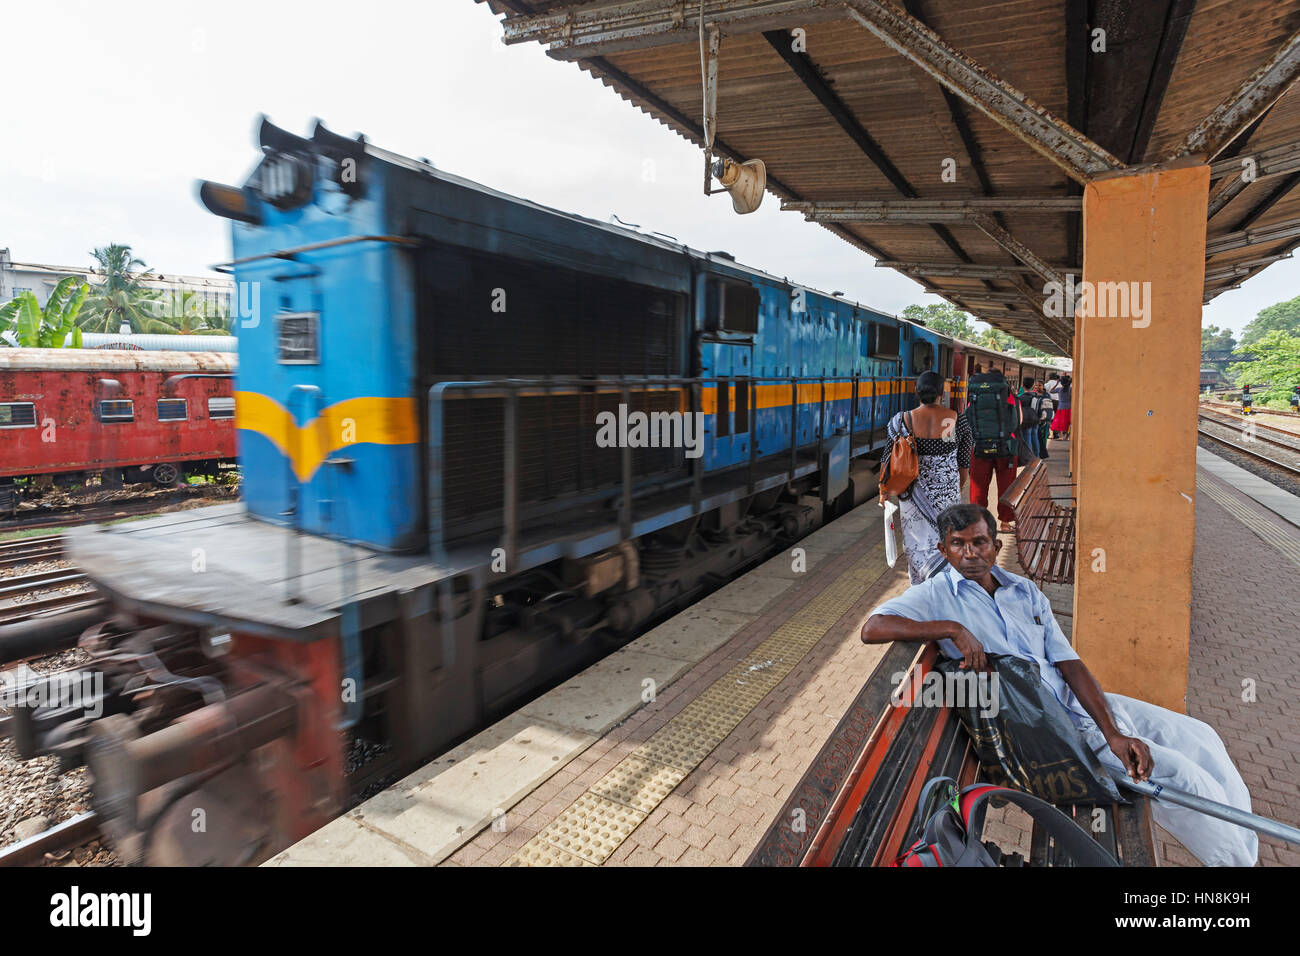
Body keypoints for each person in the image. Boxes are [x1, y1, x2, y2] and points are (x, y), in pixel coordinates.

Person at [860, 503, 1258, 867]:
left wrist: (1114, 732)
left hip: (1080, 708)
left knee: (1201, 736)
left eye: (979, 542)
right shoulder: (935, 596)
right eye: (957, 544)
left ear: (995, 545)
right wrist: (951, 628)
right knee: (1186, 779)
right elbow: (872, 627)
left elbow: (1069, 663)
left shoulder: (1023, 591)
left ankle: (1246, 853)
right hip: (1050, 740)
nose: (970, 553)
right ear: (943, 550)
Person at [883, 371, 972, 584]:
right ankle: (945, 588)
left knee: (916, 544)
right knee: (947, 541)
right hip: (947, 495)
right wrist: (954, 490)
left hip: (912, 494)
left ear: (916, 392)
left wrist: (884, 491)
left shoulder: (901, 420)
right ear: (942, 393)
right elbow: (964, 464)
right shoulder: (958, 420)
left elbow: (887, 459)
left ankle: (919, 588)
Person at [965, 368, 1019, 534]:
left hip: (979, 445)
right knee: (1006, 485)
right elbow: (1018, 421)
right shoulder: (1008, 395)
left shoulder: (975, 396)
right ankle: (1004, 522)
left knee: (978, 485)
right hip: (1005, 447)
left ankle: (978, 523)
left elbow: (968, 418)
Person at [1017, 376, 1041, 459]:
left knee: (1027, 438)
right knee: (1035, 437)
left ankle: (1029, 457)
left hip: (1026, 420)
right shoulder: (1036, 396)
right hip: (1035, 419)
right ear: (1033, 386)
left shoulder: (1021, 398)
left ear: (1023, 386)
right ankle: (1037, 455)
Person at [1051, 374, 1072, 438]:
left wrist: (1056, 384)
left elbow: (1051, 391)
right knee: (1069, 422)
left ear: (1061, 383)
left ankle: (1061, 436)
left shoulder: (1059, 389)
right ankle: (1067, 437)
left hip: (1060, 407)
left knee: (1060, 422)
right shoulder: (1070, 389)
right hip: (1069, 407)